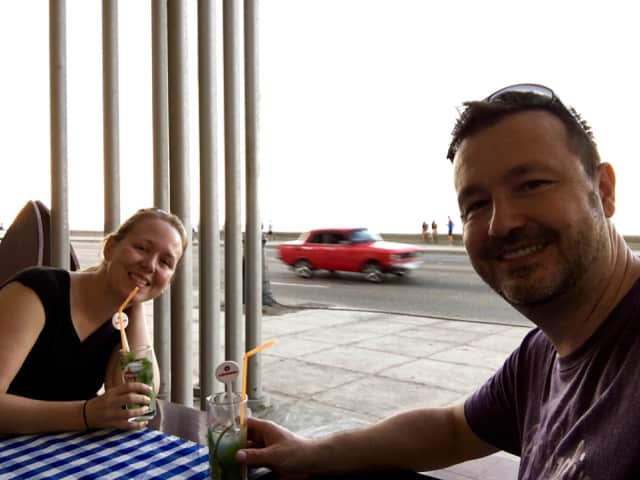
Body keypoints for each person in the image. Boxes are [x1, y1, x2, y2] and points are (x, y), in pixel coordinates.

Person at [235, 83, 640, 479]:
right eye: (476, 204)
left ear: (603, 190)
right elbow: (451, 430)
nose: (502, 223)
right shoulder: (540, 357)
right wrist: (309, 453)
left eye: (532, 185)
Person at [0, 208, 188, 434]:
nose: (150, 265)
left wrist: (135, 304)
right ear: (110, 248)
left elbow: (137, 400)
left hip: (53, 454)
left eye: (166, 262)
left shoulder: (121, 320)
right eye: (141, 248)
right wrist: (85, 414)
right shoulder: (36, 293)